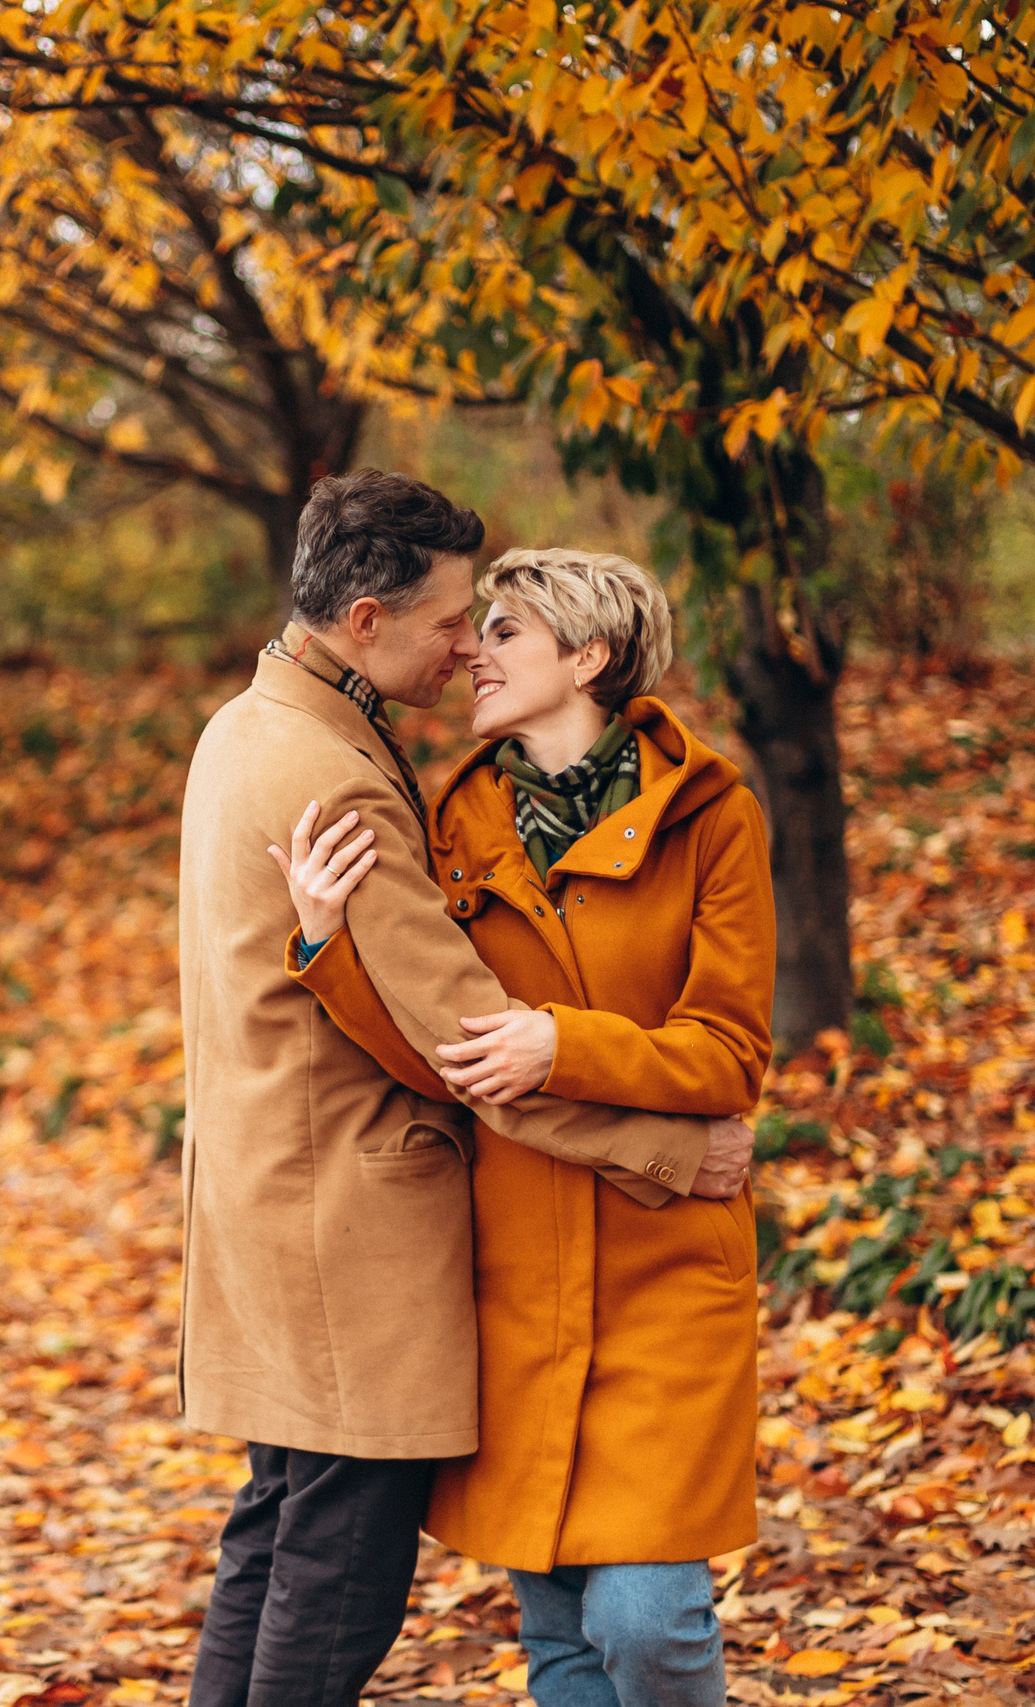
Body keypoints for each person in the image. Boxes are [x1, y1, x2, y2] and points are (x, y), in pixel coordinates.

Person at [176, 473, 755, 1707]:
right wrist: (670, 1148)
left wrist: (349, 963)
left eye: (496, 627)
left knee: (279, 1544)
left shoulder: (253, 725)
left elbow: (695, 1034)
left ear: (590, 657)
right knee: (332, 1579)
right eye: (455, 621)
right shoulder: (347, 773)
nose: (465, 647)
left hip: (334, 1219)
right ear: (370, 616)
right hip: (368, 1230)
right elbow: (464, 1042)